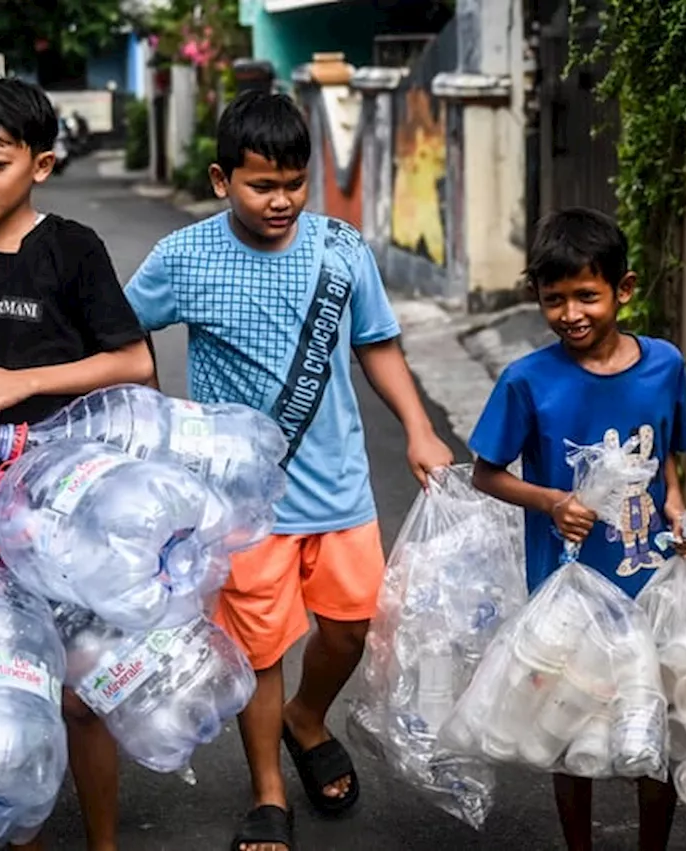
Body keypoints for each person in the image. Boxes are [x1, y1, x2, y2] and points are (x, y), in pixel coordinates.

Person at [124, 90, 454, 851]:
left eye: (294, 184)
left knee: (352, 626)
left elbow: (376, 343)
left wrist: (419, 428)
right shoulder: (184, 256)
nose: (281, 201)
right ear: (221, 179)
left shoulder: (342, 249)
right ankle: (269, 788)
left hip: (339, 485)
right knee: (258, 649)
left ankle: (309, 717)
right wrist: (156, 418)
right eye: (262, 185)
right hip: (243, 505)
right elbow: (122, 329)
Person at [0, 75, 153, 851]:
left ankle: (104, 841)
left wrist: (27, 382)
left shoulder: (72, 250)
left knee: (80, 694)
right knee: (2, 681)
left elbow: (134, 362)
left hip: (61, 499)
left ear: (41, 166)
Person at [468, 207, 686, 851]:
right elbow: (486, 473)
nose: (571, 314)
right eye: (554, 300)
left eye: (587, 296)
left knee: (657, 726)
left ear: (623, 289)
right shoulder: (526, 381)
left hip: (650, 580)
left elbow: (669, 454)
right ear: (536, 298)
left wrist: (676, 503)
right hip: (566, 591)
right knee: (574, 730)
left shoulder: (664, 365)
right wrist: (549, 500)